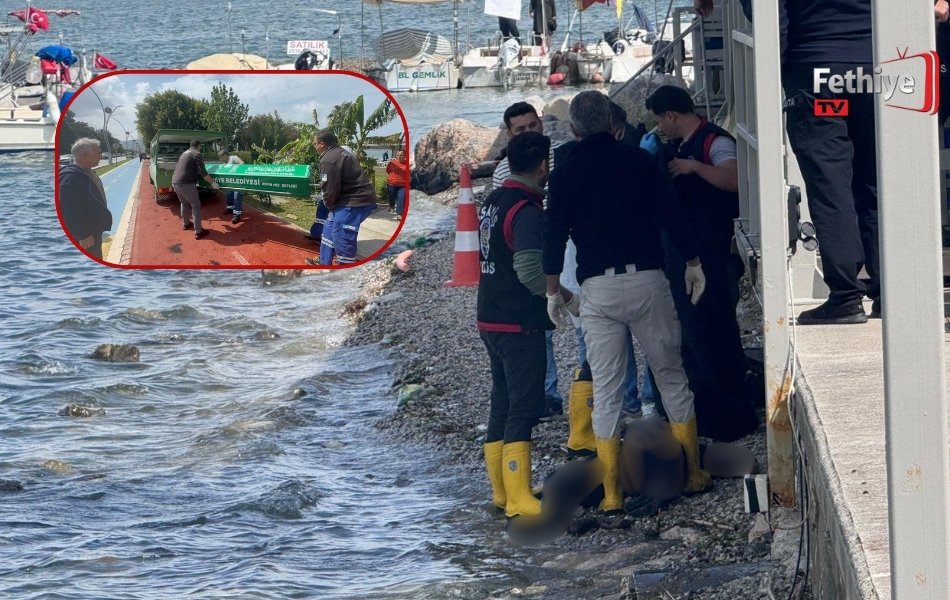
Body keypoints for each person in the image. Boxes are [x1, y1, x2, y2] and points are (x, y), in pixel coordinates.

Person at [544, 91, 713, 513]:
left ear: (574, 129)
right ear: (611, 123)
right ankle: (693, 473)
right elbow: (671, 213)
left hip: (598, 289)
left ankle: (614, 495)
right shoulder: (639, 160)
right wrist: (693, 261)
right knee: (671, 374)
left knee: (607, 391)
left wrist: (552, 290)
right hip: (647, 279)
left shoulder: (564, 173)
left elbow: (553, 236)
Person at [645, 85, 758, 442]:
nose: (660, 128)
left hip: (713, 251)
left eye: (660, 121)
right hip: (692, 251)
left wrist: (694, 167)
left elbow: (734, 178)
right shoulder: (680, 146)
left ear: (672, 116)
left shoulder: (714, 143)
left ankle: (728, 401)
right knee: (697, 330)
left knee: (715, 327)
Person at [478, 131, 578, 518]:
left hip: (489, 315)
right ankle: (519, 497)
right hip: (518, 321)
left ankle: (503, 492)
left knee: (501, 402)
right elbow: (529, 270)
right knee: (524, 406)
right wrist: (563, 297)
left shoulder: (494, 200)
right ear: (542, 166)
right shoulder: (527, 210)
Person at [778, 0, 878, 324]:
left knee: (830, 179)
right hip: (873, 73)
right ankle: (889, 288)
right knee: (876, 180)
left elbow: (769, 16)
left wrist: (782, 70)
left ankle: (847, 296)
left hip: (819, 79)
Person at [492, 101, 565, 418]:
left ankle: (591, 388)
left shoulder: (561, 158)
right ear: (508, 134)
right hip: (530, 251)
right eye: (520, 129)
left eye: (533, 125)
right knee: (541, 327)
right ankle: (547, 395)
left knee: (586, 323)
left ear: (542, 124)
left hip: (568, 246)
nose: (528, 133)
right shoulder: (502, 173)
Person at [307, 130, 377, 266]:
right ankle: (324, 262)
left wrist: (328, 204)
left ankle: (346, 268)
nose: (314, 146)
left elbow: (329, 187)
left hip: (354, 203)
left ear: (322, 144)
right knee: (328, 230)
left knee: (342, 236)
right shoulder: (340, 153)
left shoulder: (328, 159)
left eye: (315, 143)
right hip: (346, 201)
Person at [59, 137, 112, 259]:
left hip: (93, 230)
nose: (101, 156)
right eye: (98, 153)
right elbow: (68, 209)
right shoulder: (71, 178)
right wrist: (83, 234)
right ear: (85, 155)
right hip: (87, 236)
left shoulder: (85, 171)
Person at [172, 139, 220, 240]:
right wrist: (212, 183)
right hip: (186, 183)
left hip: (175, 182)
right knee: (196, 205)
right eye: (200, 147)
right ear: (198, 145)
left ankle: (186, 224)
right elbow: (202, 172)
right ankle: (199, 231)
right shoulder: (196, 153)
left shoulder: (184, 153)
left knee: (184, 203)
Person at [218, 149, 245, 224]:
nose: (220, 159)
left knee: (237, 197)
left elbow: (242, 164)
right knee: (229, 195)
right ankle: (230, 209)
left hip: (238, 182)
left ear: (225, 155)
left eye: (220, 157)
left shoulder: (233, 158)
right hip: (230, 183)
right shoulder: (225, 163)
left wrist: (234, 171)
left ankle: (237, 215)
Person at [386, 150, 409, 216]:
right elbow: (388, 171)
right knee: (391, 197)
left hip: (403, 185)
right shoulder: (392, 163)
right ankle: (391, 206)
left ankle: (399, 213)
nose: (399, 157)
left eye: (401, 155)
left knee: (401, 198)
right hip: (391, 184)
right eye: (398, 155)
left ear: (405, 156)